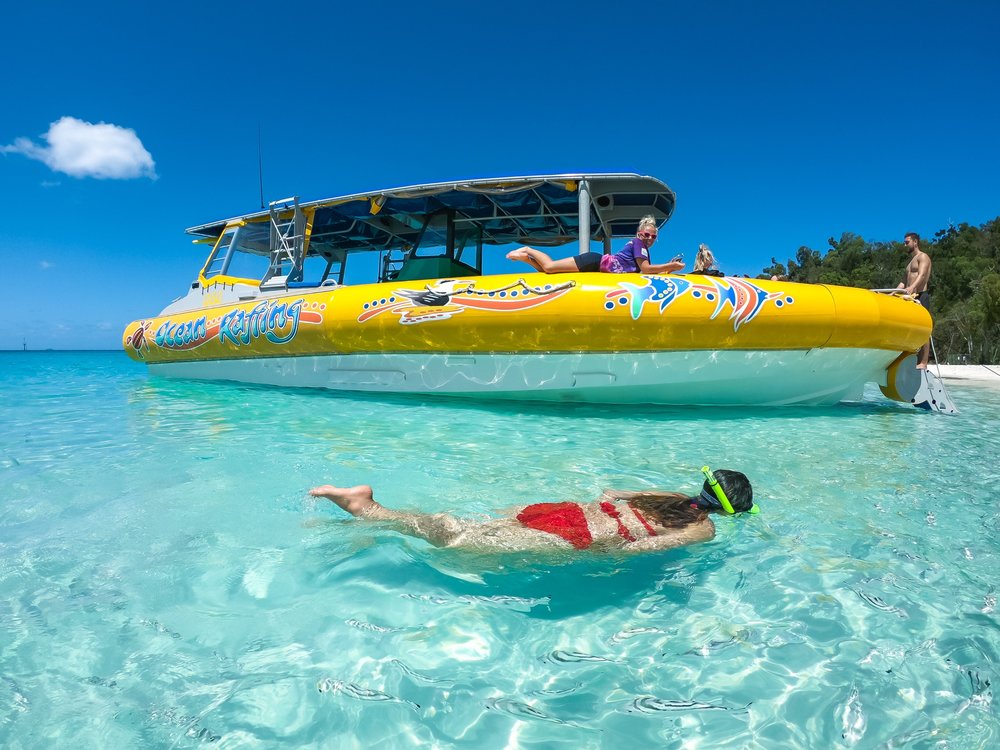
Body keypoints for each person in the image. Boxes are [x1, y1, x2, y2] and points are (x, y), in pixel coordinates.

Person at [309, 468, 756, 553]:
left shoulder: (672, 495)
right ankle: (367, 508)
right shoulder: (702, 531)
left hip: (565, 512)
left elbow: (612, 490)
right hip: (579, 538)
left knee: (474, 529)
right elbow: (634, 553)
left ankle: (369, 507)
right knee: (454, 539)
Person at [505, 215, 686, 275]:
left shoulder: (643, 250)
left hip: (595, 266)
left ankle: (525, 259)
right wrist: (670, 266)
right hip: (594, 262)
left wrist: (667, 269)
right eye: (646, 234)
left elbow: (645, 270)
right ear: (639, 234)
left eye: (653, 236)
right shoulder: (639, 244)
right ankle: (528, 249)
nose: (649, 238)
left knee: (547, 272)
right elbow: (645, 269)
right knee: (550, 267)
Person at [897, 231, 932, 368]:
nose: (905, 245)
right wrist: (892, 293)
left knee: (923, 329)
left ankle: (923, 362)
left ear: (915, 242)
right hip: (908, 297)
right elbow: (902, 283)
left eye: (907, 242)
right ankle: (909, 359)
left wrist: (912, 287)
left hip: (920, 295)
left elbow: (922, 275)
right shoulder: (909, 263)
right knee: (909, 329)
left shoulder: (923, 257)